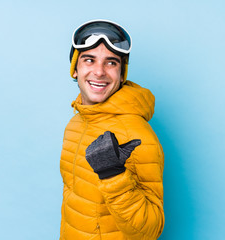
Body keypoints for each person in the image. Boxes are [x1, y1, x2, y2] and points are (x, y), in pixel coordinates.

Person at [59, 19, 165, 240]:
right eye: (89, 60)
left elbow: (150, 231)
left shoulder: (136, 133)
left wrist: (114, 175)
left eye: (111, 63)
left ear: (122, 73)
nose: (99, 72)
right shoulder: (76, 123)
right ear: (75, 69)